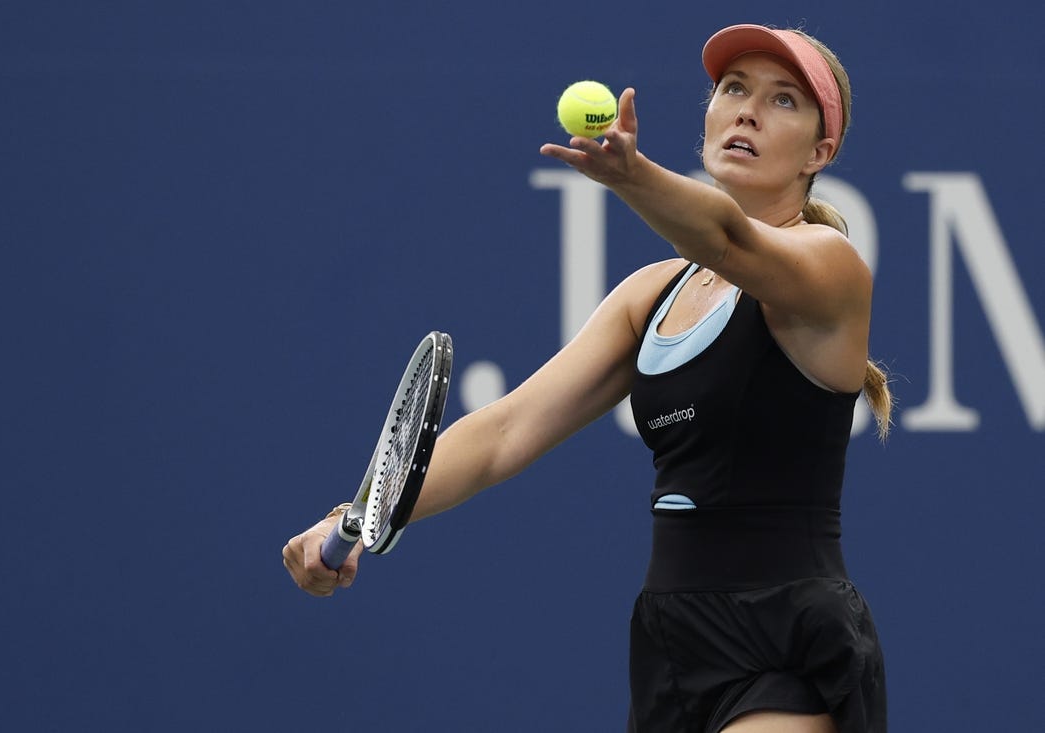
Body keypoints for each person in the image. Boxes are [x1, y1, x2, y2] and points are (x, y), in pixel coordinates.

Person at [284, 23, 890, 733]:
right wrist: (357, 512)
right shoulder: (649, 295)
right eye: (733, 89)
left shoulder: (830, 265)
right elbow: (504, 432)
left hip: (785, 641)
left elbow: (724, 236)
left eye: (783, 100)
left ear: (820, 152)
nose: (747, 111)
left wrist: (634, 177)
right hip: (671, 638)